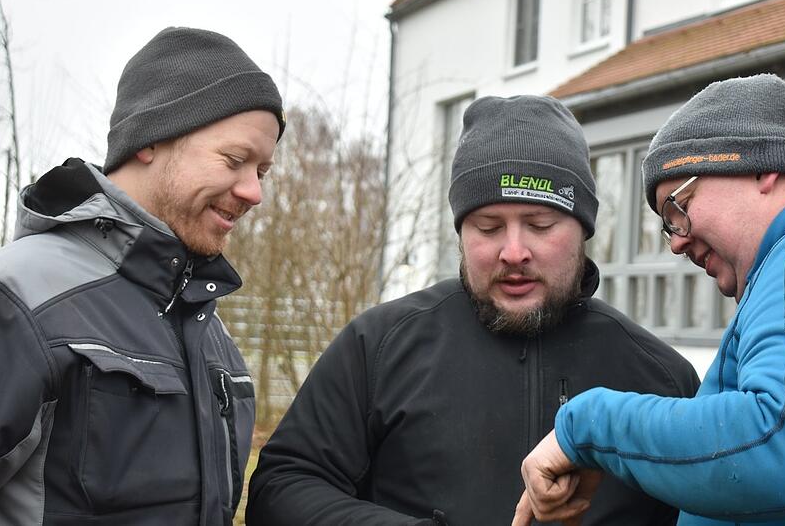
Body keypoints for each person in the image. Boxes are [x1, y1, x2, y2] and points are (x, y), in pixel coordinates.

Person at [513, 74, 785, 525]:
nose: (676, 243)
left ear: (764, 169)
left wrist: (588, 427)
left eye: (677, 209)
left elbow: (781, 449)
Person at [246, 95, 699, 525]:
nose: (513, 252)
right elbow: (281, 488)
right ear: (461, 234)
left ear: (583, 229)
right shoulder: (380, 345)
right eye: (488, 226)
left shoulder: (660, 377)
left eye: (540, 225)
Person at [0, 27, 284, 525]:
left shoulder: (212, 336)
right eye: (235, 160)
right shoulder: (22, 295)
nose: (253, 193)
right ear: (150, 140)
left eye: (261, 172)